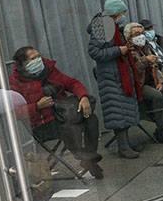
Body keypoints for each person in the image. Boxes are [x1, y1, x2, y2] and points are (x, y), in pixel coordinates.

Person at [10, 46, 103, 178]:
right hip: (43, 125)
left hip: (64, 113)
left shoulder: (49, 70)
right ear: (23, 64)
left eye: (38, 56)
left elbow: (72, 83)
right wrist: (36, 106)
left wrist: (83, 97)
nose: (38, 60)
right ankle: (87, 158)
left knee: (90, 119)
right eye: (33, 58)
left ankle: (88, 157)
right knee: (69, 127)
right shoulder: (16, 83)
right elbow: (15, 112)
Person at [88, 0, 141, 158]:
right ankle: (123, 147)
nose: (123, 16)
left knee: (122, 112)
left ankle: (125, 144)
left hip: (118, 75)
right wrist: (119, 50)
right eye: (122, 13)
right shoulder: (104, 26)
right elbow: (94, 52)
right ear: (115, 13)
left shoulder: (113, 26)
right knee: (118, 114)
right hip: (111, 77)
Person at [122, 22, 163, 143]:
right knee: (157, 96)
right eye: (136, 34)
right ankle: (161, 130)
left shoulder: (147, 47)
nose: (140, 36)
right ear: (129, 37)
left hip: (153, 81)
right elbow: (132, 71)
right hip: (139, 85)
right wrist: (145, 60)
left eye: (141, 33)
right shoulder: (127, 51)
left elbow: (155, 68)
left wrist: (161, 81)